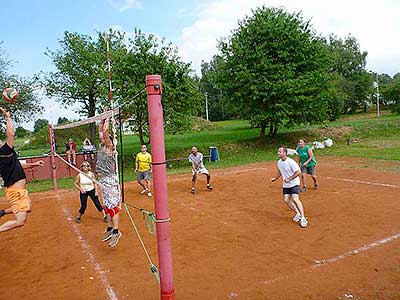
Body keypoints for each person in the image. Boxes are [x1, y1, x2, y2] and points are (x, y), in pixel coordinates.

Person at [0, 107, 45, 232]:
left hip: (18, 191)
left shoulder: (6, 155)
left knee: (28, 207)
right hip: (16, 192)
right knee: (20, 221)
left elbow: (17, 165)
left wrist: (34, 164)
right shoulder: (4, 151)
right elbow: (11, 134)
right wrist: (7, 117)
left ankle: (2, 212)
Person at [96, 114, 122, 248]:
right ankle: (110, 228)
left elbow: (105, 134)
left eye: (106, 139)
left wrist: (107, 120)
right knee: (106, 206)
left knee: (112, 206)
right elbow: (101, 132)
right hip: (103, 180)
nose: (103, 139)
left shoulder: (111, 148)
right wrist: (102, 120)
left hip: (110, 179)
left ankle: (116, 232)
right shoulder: (102, 147)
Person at [270, 146, 308, 228]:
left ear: (285, 153)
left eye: (280, 151)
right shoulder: (279, 162)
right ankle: (298, 213)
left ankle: (303, 218)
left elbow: (298, 172)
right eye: (278, 151)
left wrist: (289, 178)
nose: (278, 153)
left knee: (295, 199)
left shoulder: (291, 162)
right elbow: (280, 171)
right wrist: (275, 178)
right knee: (286, 200)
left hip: (294, 183)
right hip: (286, 184)